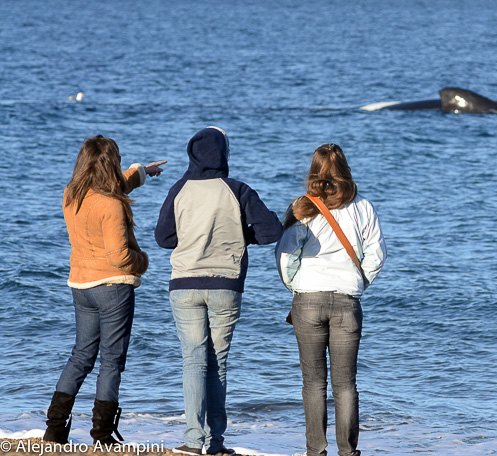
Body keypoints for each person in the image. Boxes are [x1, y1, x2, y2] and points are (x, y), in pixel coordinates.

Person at [155, 126, 283, 456]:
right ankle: (216, 442)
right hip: (226, 285)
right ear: (224, 154)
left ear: (192, 154)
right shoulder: (237, 189)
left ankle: (193, 441)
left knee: (193, 361)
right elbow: (271, 232)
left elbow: (164, 239)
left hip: (184, 285)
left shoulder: (179, 189)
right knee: (218, 363)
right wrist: (242, 235)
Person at [44, 135, 165, 445]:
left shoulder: (71, 194)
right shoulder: (110, 204)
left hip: (81, 285)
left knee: (80, 356)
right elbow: (119, 257)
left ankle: (55, 430)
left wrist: (141, 172)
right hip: (112, 287)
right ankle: (102, 434)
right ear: (112, 163)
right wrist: (143, 261)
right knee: (112, 361)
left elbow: (111, 188)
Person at [276, 143, 386, 456]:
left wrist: (295, 286)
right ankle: (348, 452)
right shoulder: (363, 206)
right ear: (346, 170)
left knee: (313, 383)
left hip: (307, 299)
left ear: (313, 171)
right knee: (346, 384)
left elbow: (285, 255)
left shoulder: (302, 206)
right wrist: (359, 282)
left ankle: (315, 450)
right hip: (347, 300)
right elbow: (377, 254)